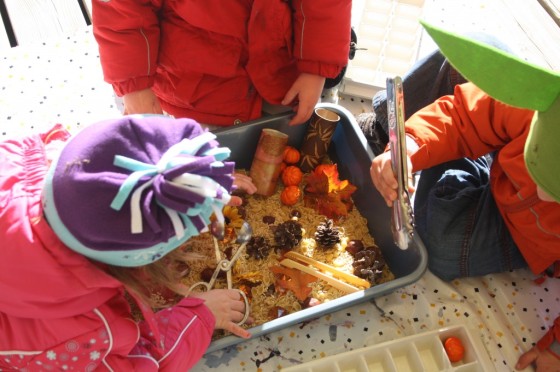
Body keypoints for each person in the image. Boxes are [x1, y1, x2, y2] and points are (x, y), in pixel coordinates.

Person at [367, 24, 560, 371]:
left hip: (529, 239)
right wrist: (409, 145)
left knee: (441, 245)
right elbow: (463, 115)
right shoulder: (540, 104)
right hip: (505, 168)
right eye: (538, 161)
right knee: (467, 56)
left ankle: (470, 158)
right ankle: (384, 126)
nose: (544, 193)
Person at [0, 115, 258, 370]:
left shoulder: (27, 156)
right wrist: (200, 316)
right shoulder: (87, 334)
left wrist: (199, 182)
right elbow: (142, 363)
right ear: (131, 266)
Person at [91, 0, 352, 127]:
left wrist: (316, 67)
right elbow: (121, 12)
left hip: (282, 78)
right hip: (194, 95)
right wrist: (135, 86)